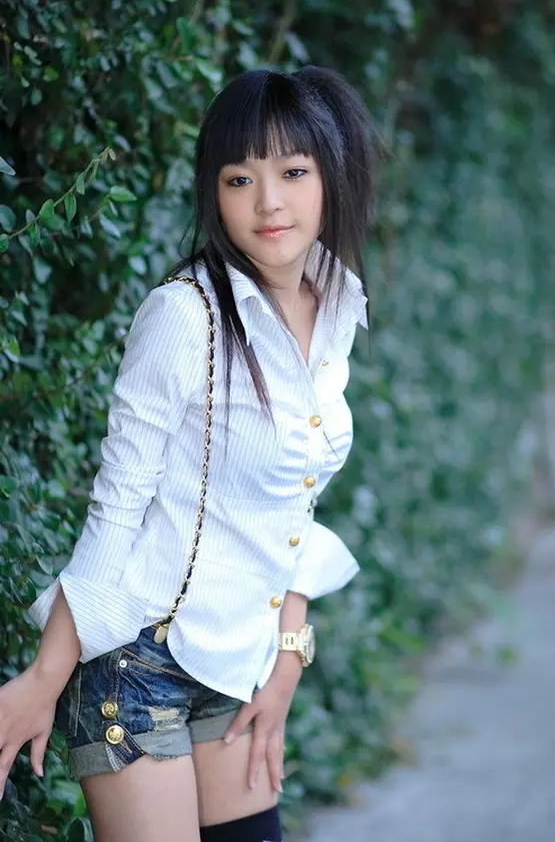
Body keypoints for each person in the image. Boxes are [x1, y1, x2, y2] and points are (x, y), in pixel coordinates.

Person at [0, 65, 376, 842]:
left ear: (332, 177)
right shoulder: (185, 315)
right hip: (134, 668)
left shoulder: (336, 305)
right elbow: (116, 509)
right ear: (214, 192)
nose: (268, 202)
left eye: (293, 172)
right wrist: (44, 674)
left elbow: (296, 504)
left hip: (236, 664)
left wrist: (289, 655)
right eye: (240, 179)